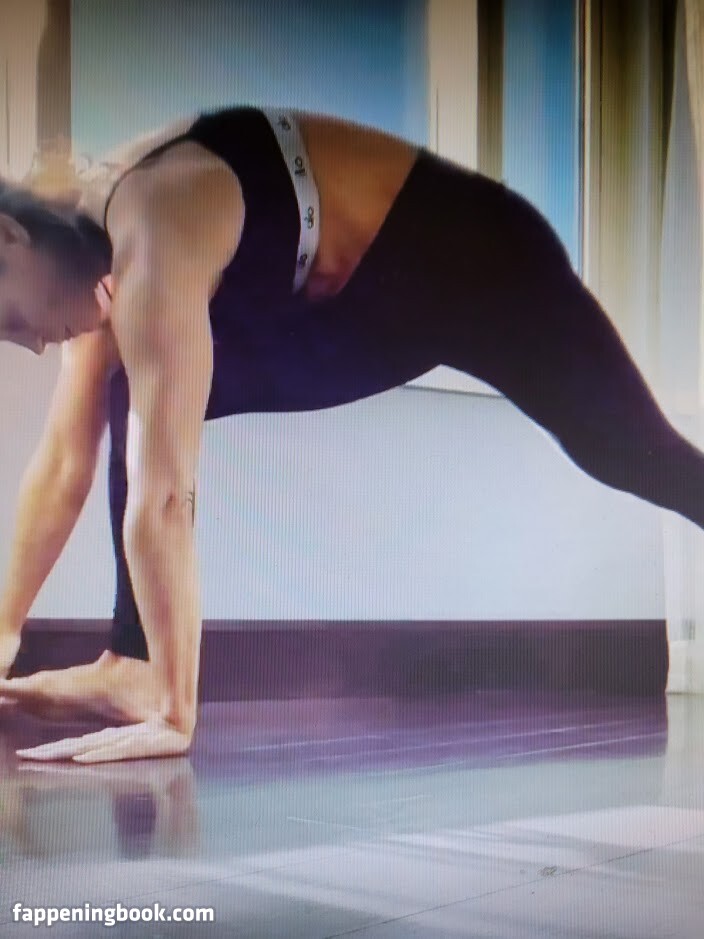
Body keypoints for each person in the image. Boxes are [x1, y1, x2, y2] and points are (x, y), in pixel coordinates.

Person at [0, 105, 702, 764]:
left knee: (630, 451)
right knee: (127, 387)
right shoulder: (103, 273)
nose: (28, 345)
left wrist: (175, 713)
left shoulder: (156, 217)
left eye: (7, 320)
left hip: (478, 257)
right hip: (368, 305)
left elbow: (163, 492)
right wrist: (3, 634)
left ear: (9, 235)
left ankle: (152, 678)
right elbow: (63, 465)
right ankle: (133, 664)